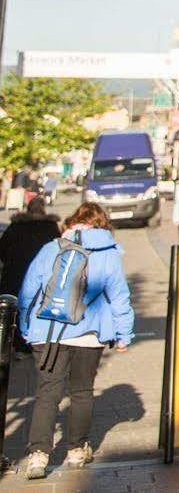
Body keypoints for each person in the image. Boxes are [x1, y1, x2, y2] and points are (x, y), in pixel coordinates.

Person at [16, 202, 134, 477]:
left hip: (48, 332)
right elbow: (119, 297)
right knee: (81, 392)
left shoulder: (52, 247)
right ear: (103, 224)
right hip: (89, 334)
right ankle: (76, 450)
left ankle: (38, 456)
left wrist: (25, 326)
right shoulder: (109, 253)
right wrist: (123, 334)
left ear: (73, 221)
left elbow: (28, 289)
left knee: (48, 393)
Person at [0, 196, 61, 348]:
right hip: (43, 273)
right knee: (38, 303)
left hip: (15, 271)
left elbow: (2, 249)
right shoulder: (50, 226)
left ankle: (14, 340)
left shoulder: (16, 226)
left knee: (14, 306)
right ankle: (35, 338)